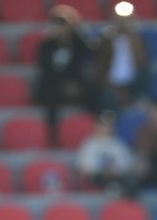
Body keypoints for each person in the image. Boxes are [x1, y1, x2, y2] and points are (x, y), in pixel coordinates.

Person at [33, 4, 95, 148]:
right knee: (50, 95)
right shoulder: (47, 45)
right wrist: (63, 84)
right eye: (58, 24)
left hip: (75, 84)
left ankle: (94, 131)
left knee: (94, 92)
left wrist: (78, 29)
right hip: (53, 86)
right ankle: (53, 135)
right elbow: (46, 69)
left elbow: (92, 51)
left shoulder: (77, 42)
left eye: (65, 24)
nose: (62, 28)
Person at [94, 2, 148, 111]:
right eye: (119, 19)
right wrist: (115, 89)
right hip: (110, 85)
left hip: (133, 85)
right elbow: (100, 68)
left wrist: (132, 40)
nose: (123, 23)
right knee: (107, 97)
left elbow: (142, 64)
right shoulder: (106, 41)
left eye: (126, 19)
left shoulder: (138, 41)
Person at [76, 111, 136, 196]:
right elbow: (85, 167)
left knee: (129, 180)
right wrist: (103, 171)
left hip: (116, 178)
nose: (106, 128)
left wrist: (113, 172)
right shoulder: (88, 144)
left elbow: (125, 165)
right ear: (97, 126)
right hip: (96, 178)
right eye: (104, 124)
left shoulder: (119, 145)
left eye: (109, 125)